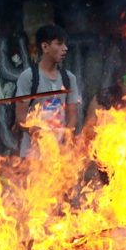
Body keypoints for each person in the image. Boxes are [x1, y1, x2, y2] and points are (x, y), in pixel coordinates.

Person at [14, 24, 81, 158]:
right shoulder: (28, 77)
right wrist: (36, 132)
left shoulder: (69, 79)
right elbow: (20, 118)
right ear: (45, 47)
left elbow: (72, 116)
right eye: (59, 44)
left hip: (60, 154)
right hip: (32, 155)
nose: (65, 49)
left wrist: (67, 137)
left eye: (65, 45)